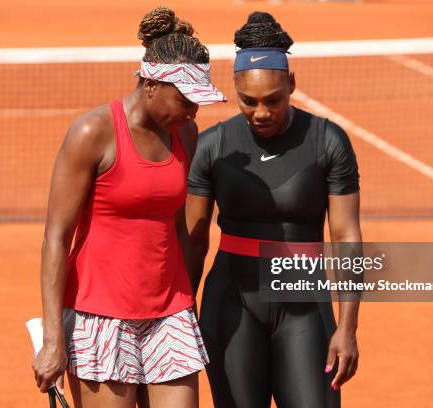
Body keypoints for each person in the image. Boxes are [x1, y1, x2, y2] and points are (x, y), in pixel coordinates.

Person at [32, 7, 226, 408]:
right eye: (185, 99)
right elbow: (56, 237)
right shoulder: (92, 133)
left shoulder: (185, 133)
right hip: (100, 316)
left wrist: (186, 300)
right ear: (152, 84)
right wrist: (53, 340)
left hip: (169, 312)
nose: (193, 111)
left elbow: (174, 222)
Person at [186, 12, 361, 408]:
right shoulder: (213, 146)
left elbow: (346, 236)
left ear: (292, 84)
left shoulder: (328, 141)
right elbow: (193, 243)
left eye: (273, 100)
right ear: (234, 88)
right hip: (231, 304)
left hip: (304, 307)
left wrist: (348, 327)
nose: (261, 112)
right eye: (248, 101)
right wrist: (181, 319)